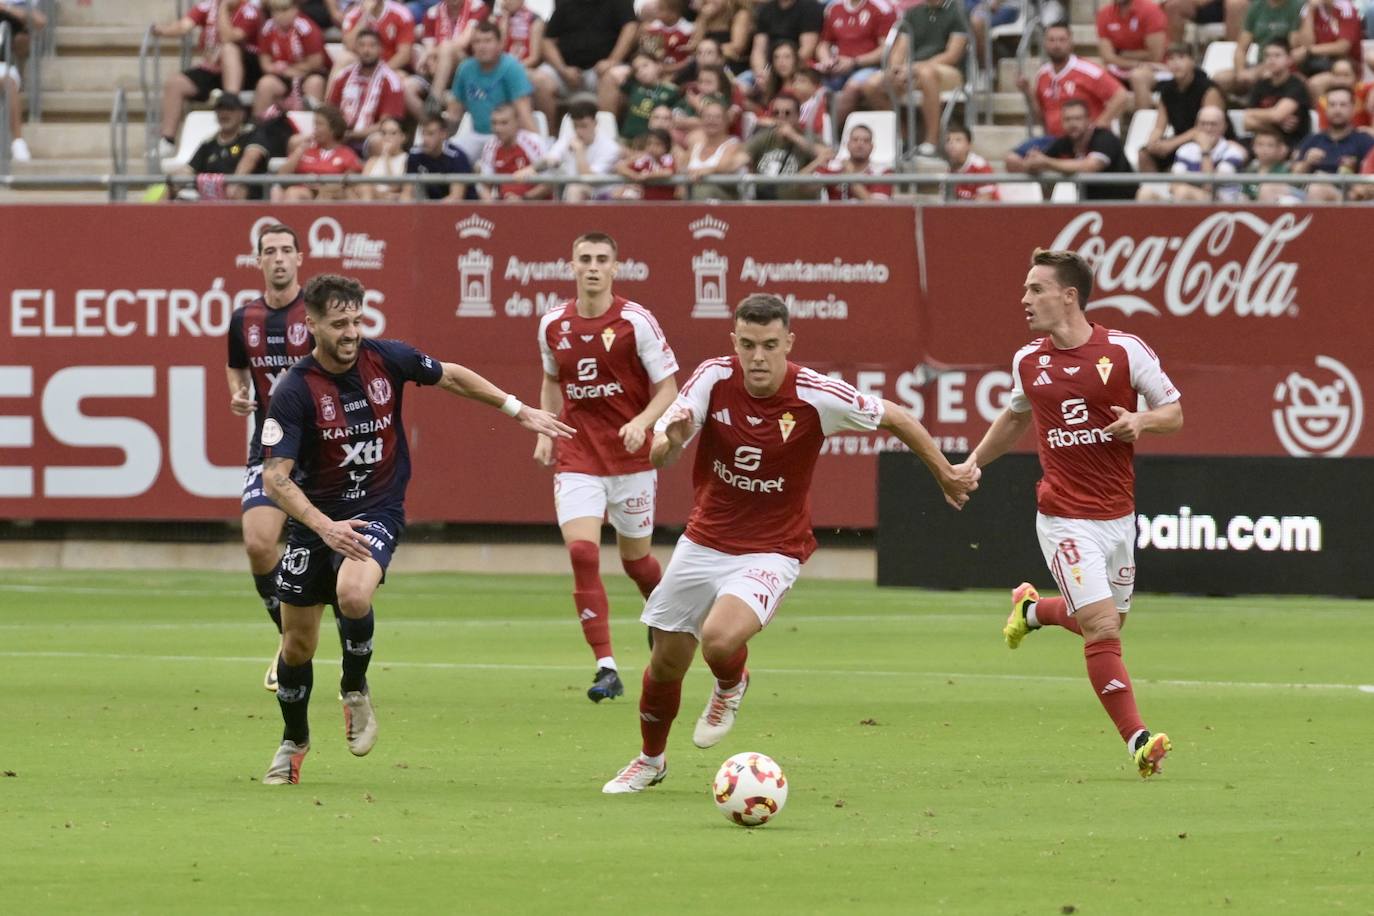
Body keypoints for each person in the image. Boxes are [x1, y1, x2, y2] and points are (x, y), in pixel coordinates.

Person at [601, 294, 979, 793]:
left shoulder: (815, 394)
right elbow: (671, 442)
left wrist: (946, 474)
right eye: (749, 345)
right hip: (704, 541)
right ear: (734, 341)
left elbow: (896, 417)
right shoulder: (714, 377)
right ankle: (651, 762)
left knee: (717, 638)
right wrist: (666, 442)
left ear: (789, 343)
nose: (758, 357)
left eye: (770, 346)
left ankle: (732, 683)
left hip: (771, 550)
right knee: (666, 659)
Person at [259, 273, 573, 785]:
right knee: (296, 646)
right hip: (316, 522)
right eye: (339, 324)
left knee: (355, 595)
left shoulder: (386, 358)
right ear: (310, 324)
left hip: (377, 508)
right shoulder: (293, 391)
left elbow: (450, 375)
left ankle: (355, 688)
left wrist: (518, 411)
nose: (351, 332)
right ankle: (294, 742)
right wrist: (324, 526)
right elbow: (276, 480)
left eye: (357, 320)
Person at [959, 248, 1182, 781]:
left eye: (1036, 289)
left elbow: (1174, 413)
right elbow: (1014, 419)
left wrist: (1142, 422)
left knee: (1104, 624)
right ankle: (1139, 740)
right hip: (1064, 516)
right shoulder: (1027, 361)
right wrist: (970, 463)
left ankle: (1032, 610)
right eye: (1025, 289)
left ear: (1069, 296)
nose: (1025, 299)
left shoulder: (1125, 351)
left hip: (1118, 518)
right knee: (1103, 627)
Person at [533, 233, 680, 702]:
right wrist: (544, 429)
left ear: (616, 268)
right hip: (578, 456)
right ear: (572, 266)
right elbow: (552, 380)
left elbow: (669, 389)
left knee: (636, 561)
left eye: (601, 260)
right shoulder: (552, 324)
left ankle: (665, 620)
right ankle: (606, 666)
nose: (593, 267)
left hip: (632, 461)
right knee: (582, 553)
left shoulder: (636, 321)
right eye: (584, 260)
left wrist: (643, 422)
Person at [225, 223, 313, 693]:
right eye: (269, 251)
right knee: (259, 544)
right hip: (271, 447)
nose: (278, 258)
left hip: (321, 453)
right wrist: (239, 394)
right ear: (258, 261)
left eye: (285, 250)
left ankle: (354, 671)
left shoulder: (317, 312)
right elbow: (237, 367)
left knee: (339, 573)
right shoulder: (244, 319)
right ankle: (288, 642)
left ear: (300, 257)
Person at [1007, 23, 1129, 170]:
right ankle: (1048, 188)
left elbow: (1121, 95)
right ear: (1044, 43)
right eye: (1051, 40)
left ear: (1071, 43)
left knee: (1048, 165)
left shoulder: (1088, 70)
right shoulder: (1042, 74)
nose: (1056, 45)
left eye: (1061, 40)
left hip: (1083, 140)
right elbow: (1041, 117)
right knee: (1013, 161)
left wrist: (1098, 126)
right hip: (1056, 140)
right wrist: (1027, 92)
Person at [153, 0, 265, 156]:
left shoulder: (250, 10)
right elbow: (184, 26)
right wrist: (162, 30)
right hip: (215, 68)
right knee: (175, 83)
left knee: (228, 49)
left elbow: (229, 37)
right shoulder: (208, 6)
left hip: (246, 67)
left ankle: (229, 101)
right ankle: (167, 141)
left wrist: (224, 8)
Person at [883, 0, 972, 157]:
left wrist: (913, 68)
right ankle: (903, 138)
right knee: (873, 84)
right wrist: (896, 68)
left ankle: (932, 141)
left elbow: (952, 55)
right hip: (913, 68)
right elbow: (900, 48)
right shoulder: (913, 13)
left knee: (927, 74)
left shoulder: (958, 11)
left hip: (949, 70)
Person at [447, 20, 539, 162]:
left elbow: (524, 113)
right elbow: (454, 112)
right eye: (477, 42)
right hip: (476, 134)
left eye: (488, 41)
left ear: (500, 44)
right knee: (449, 159)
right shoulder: (465, 69)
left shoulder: (512, 67)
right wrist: (444, 142)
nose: (482, 46)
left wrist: (538, 144)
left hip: (507, 137)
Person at [1136, 42, 1226, 172]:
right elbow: (1159, 127)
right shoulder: (1166, 90)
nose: (1176, 63)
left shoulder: (1208, 89)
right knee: (1145, 154)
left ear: (1192, 61)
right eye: (1171, 59)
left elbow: (1205, 128)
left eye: (1181, 57)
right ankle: (1152, 190)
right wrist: (1153, 143)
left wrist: (1171, 144)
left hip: (1208, 140)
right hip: (1182, 140)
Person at [1024, 98, 1138, 199]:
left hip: (1125, 204)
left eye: (1078, 119)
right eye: (1068, 119)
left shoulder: (1105, 137)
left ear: (1089, 120)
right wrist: (1033, 162)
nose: (1073, 124)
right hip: (1092, 209)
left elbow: (1090, 166)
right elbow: (1037, 165)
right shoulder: (1063, 143)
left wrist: (1046, 162)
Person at [816, 0, 897, 131]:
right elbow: (823, 44)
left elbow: (886, 50)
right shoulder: (834, 8)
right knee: (814, 88)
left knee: (852, 88)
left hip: (870, 67)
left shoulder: (881, 8)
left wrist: (854, 61)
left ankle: (829, 139)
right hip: (839, 66)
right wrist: (827, 61)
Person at [1139, 104, 1247, 200]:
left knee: (1183, 192)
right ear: (1197, 126)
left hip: (1220, 206)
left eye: (1213, 124)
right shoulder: (1185, 150)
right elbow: (1174, 185)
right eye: (1203, 124)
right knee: (1145, 194)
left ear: (1224, 127)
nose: (1208, 128)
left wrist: (1205, 151)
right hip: (1184, 197)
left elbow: (1209, 186)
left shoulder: (1233, 152)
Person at [326, 29, 408, 154]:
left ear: (381, 49)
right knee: (298, 141)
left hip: (369, 139)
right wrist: (338, 132)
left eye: (372, 46)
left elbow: (386, 125)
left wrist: (352, 135)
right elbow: (330, 112)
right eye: (362, 45)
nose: (366, 50)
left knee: (378, 142)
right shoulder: (343, 76)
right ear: (355, 49)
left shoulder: (391, 81)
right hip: (341, 135)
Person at [522, 99, 623, 201]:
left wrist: (579, 152)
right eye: (575, 126)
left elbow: (587, 178)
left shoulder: (610, 148)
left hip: (603, 199)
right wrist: (531, 169)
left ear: (595, 123)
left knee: (575, 188)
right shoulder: (568, 138)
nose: (579, 131)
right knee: (553, 178)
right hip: (572, 195)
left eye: (584, 126)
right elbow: (551, 159)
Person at [741, 91, 829, 199]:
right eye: (776, 113)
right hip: (764, 203)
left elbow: (827, 154)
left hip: (798, 205)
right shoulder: (764, 136)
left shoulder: (809, 137)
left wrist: (794, 137)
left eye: (787, 113)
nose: (781, 117)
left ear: (798, 115)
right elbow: (741, 157)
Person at [1291, 86, 1374, 200]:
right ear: (1326, 109)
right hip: (1308, 194)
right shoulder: (1313, 139)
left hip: (1348, 199)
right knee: (1269, 188)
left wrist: (1328, 180)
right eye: (1332, 105)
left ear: (1353, 108)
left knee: (1318, 187)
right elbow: (1293, 177)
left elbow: (1368, 185)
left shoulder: (1365, 141)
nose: (1337, 110)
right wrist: (1307, 162)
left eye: (1343, 105)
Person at [253, 0, 329, 117]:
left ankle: (311, 128)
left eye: (285, 10)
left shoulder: (306, 28)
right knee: (265, 84)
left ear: (295, 10)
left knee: (315, 83)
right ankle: (258, 127)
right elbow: (265, 64)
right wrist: (281, 70)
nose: (280, 15)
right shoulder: (267, 29)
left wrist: (291, 69)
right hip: (282, 76)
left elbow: (316, 62)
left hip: (308, 74)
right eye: (276, 11)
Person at [1214, 0, 1303, 96]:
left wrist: (1258, 71)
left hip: (1283, 66)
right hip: (1259, 62)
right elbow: (1241, 49)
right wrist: (1241, 72)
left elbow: (1292, 48)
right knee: (1220, 79)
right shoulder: (1256, 6)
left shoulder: (1297, 6)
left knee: (1266, 76)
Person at [276, 105, 363, 201]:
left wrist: (323, 186)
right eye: (315, 125)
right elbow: (281, 175)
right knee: (293, 193)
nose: (315, 129)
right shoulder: (306, 150)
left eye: (320, 124)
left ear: (333, 129)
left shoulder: (347, 154)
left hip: (332, 196)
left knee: (326, 196)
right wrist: (299, 150)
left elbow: (351, 183)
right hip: (305, 191)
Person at [1241, 38, 1312, 152]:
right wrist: (1276, 123)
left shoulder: (1296, 85)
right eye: (1268, 56)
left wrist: (1257, 116)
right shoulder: (1260, 84)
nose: (1271, 60)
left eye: (1277, 56)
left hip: (1290, 143)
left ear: (1289, 60)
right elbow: (1247, 122)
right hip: (1261, 142)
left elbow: (1277, 115)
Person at [1095, 0, 1168, 111]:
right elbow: (1107, 57)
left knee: (1138, 76)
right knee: (1096, 73)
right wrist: (1138, 61)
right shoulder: (1104, 13)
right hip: (1124, 68)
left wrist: (1122, 54)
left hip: (1159, 69)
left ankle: (1143, 121)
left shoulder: (1150, 10)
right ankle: (1105, 124)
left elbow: (1155, 56)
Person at [477, 103, 549, 199]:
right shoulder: (490, 146)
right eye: (494, 123)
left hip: (535, 204)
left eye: (504, 123)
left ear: (517, 122)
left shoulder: (533, 142)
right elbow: (486, 185)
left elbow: (549, 183)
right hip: (503, 206)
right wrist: (490, 207)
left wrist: (523, 199)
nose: (498, 128)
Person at [805, 122, 892, 200]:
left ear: (872, 147)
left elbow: (878, 208)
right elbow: (803, 187)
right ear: (847, 144)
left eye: (866, 141)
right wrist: (817, 162)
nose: (860, 144)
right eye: (855, 140)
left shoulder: (882, 171)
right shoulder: (834, 167)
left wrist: (850, 177)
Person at [404, 112, 475, 200]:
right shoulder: (415, 154)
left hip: (465, 209)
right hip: (434, 207)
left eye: (430, 134)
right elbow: (406, 193)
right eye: (423, 133)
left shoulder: (456, 157)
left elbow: (456, 197)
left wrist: (432, 211)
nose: (425, 139)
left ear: (443, 134)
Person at [1240, 125, 1300, 201]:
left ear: (1279, 149)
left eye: (1270, 145)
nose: (1265, 149)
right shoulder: (1250, 171)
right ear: (1253, 147)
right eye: (1260, 144)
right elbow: (1245, 196)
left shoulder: (1285, 170)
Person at [357, 116, 410, 200]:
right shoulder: (372, 160)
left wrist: (386, 157)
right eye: (384, 133)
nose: (387, 137)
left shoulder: (408, 159)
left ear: (403, 137)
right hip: (371, 202)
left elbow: (395, 186)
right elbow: (362, 186)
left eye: (393, 133)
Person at [943, 121, 997, 200]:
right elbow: (945, 201)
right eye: (948, 140)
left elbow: (985, 202)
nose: (952, 144)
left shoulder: (980, 166)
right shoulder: (947, 168)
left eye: (958, 140)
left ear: (969, 145)